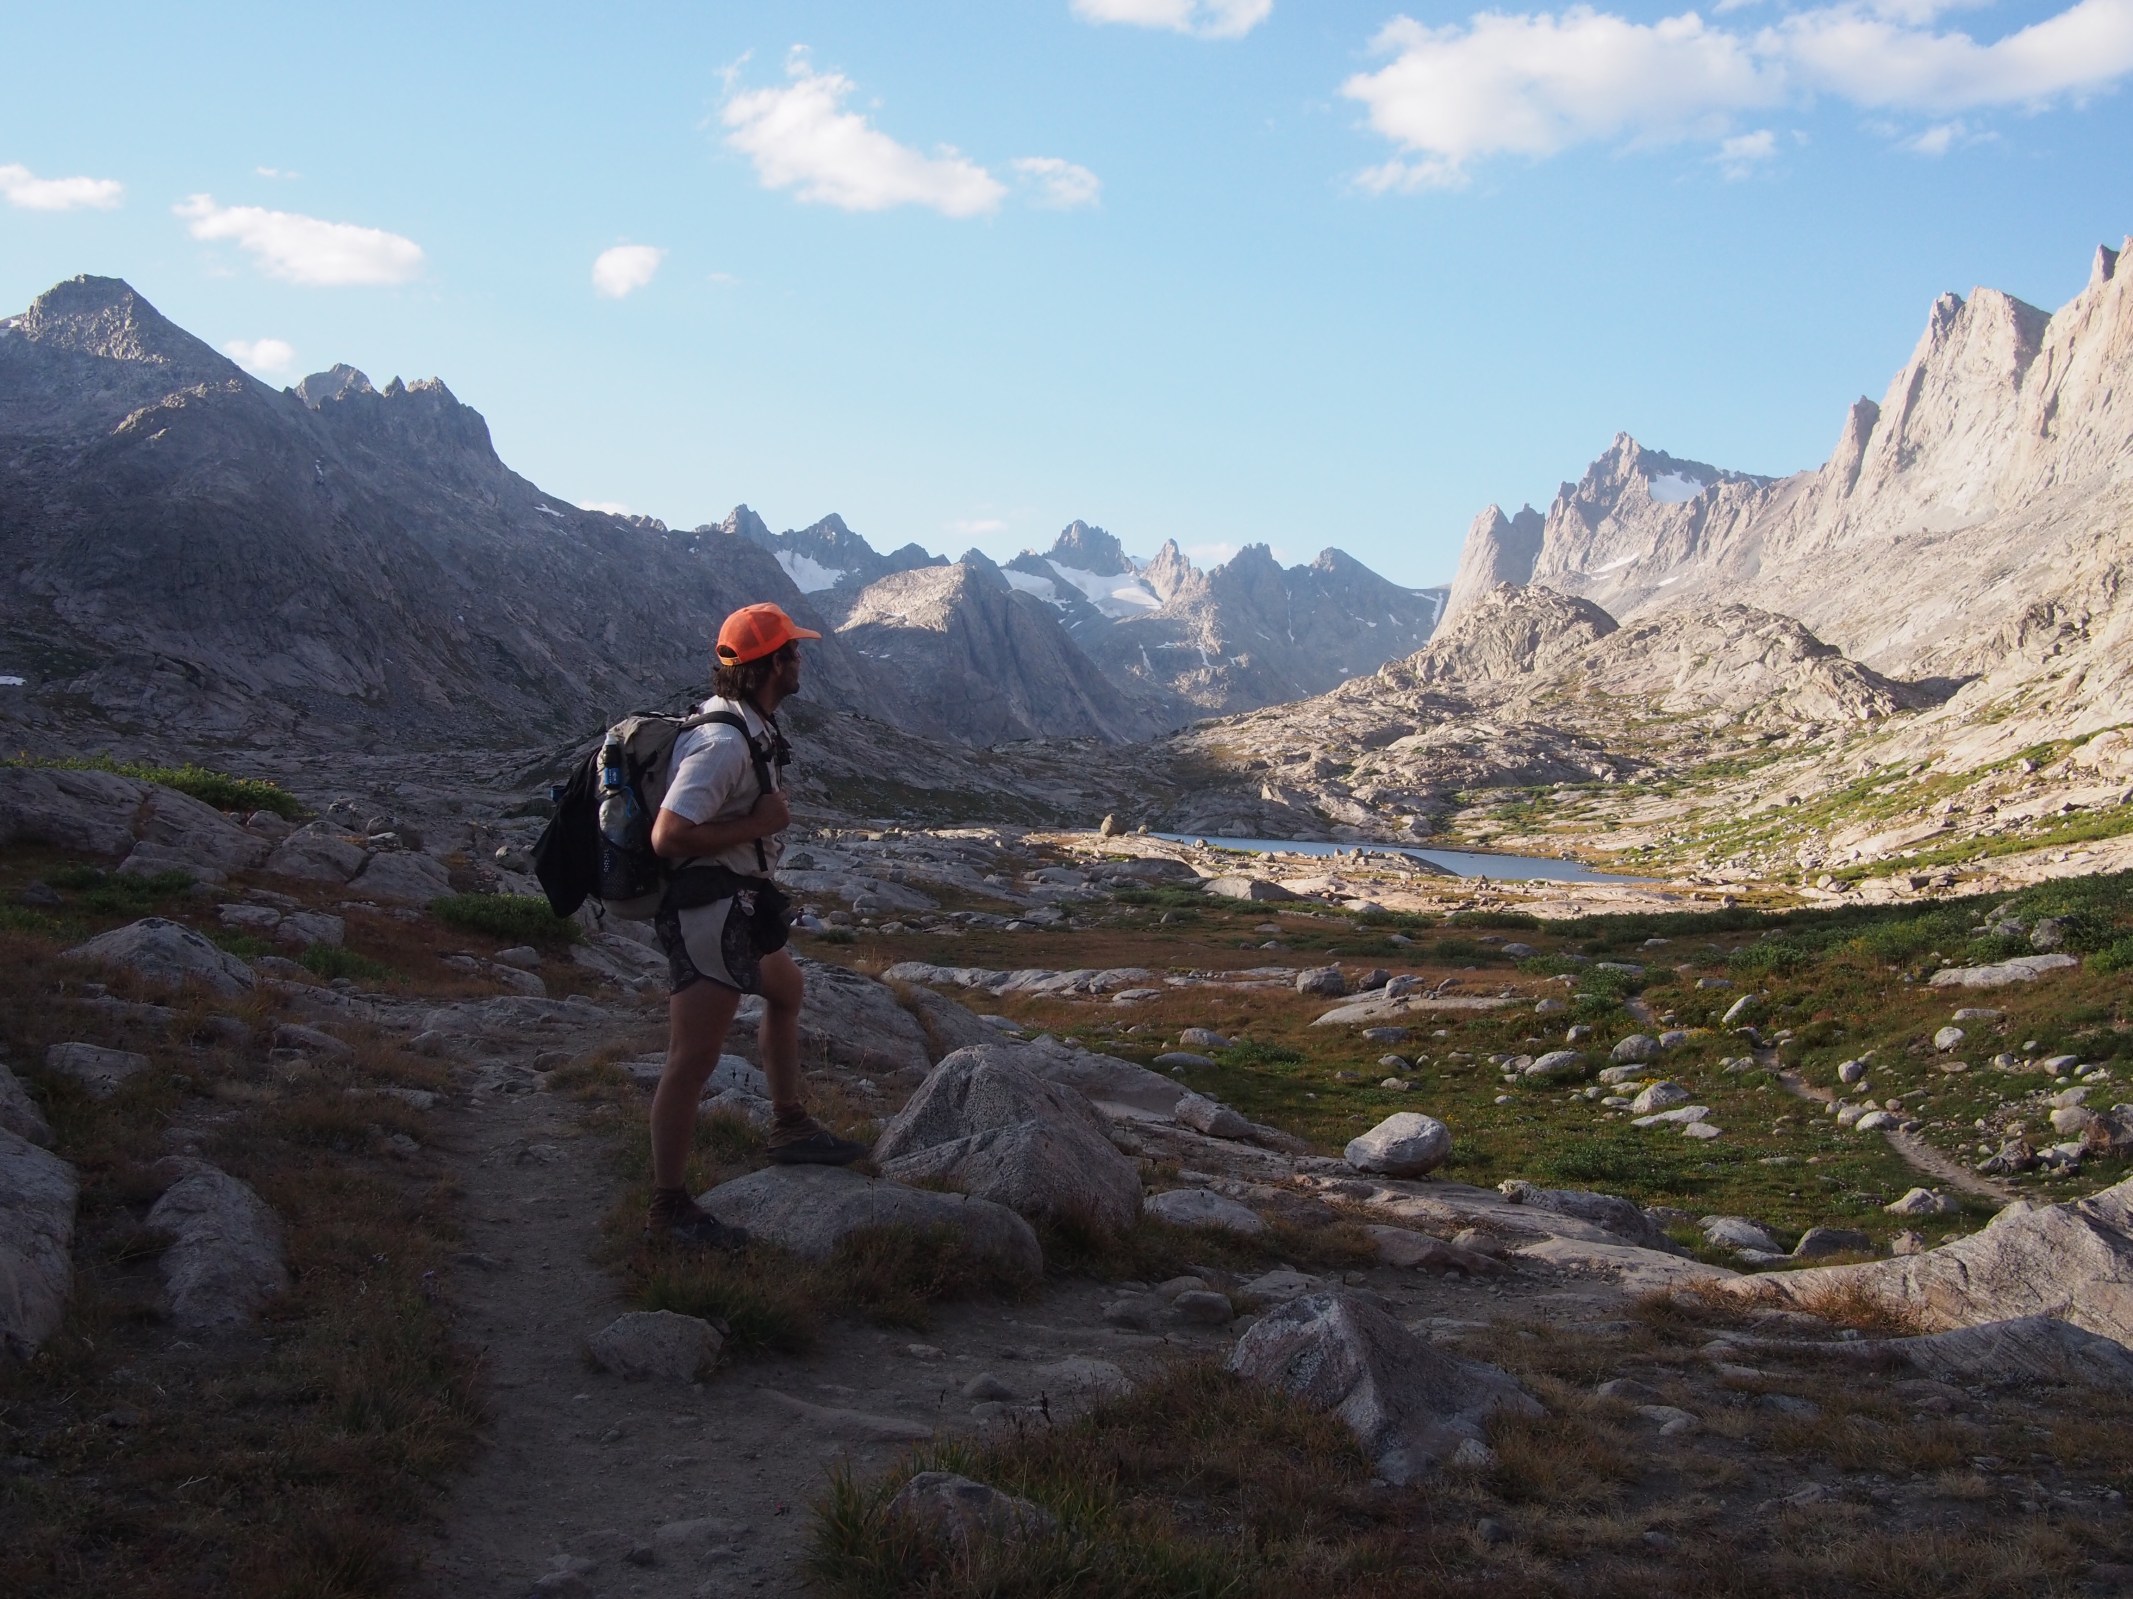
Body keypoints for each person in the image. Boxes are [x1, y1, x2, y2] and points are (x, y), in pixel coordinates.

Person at [642, 602, 869, 1249]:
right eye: (793, 651)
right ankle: (667, 1207)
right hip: (707, 910)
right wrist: (759, 825)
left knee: (786, 989)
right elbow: (667, 835)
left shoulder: (749, 726)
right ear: (771, 664)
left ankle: (789, 1123)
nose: (801, 660)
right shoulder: (721, 744)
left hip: (737, 903)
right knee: (693, 1057)